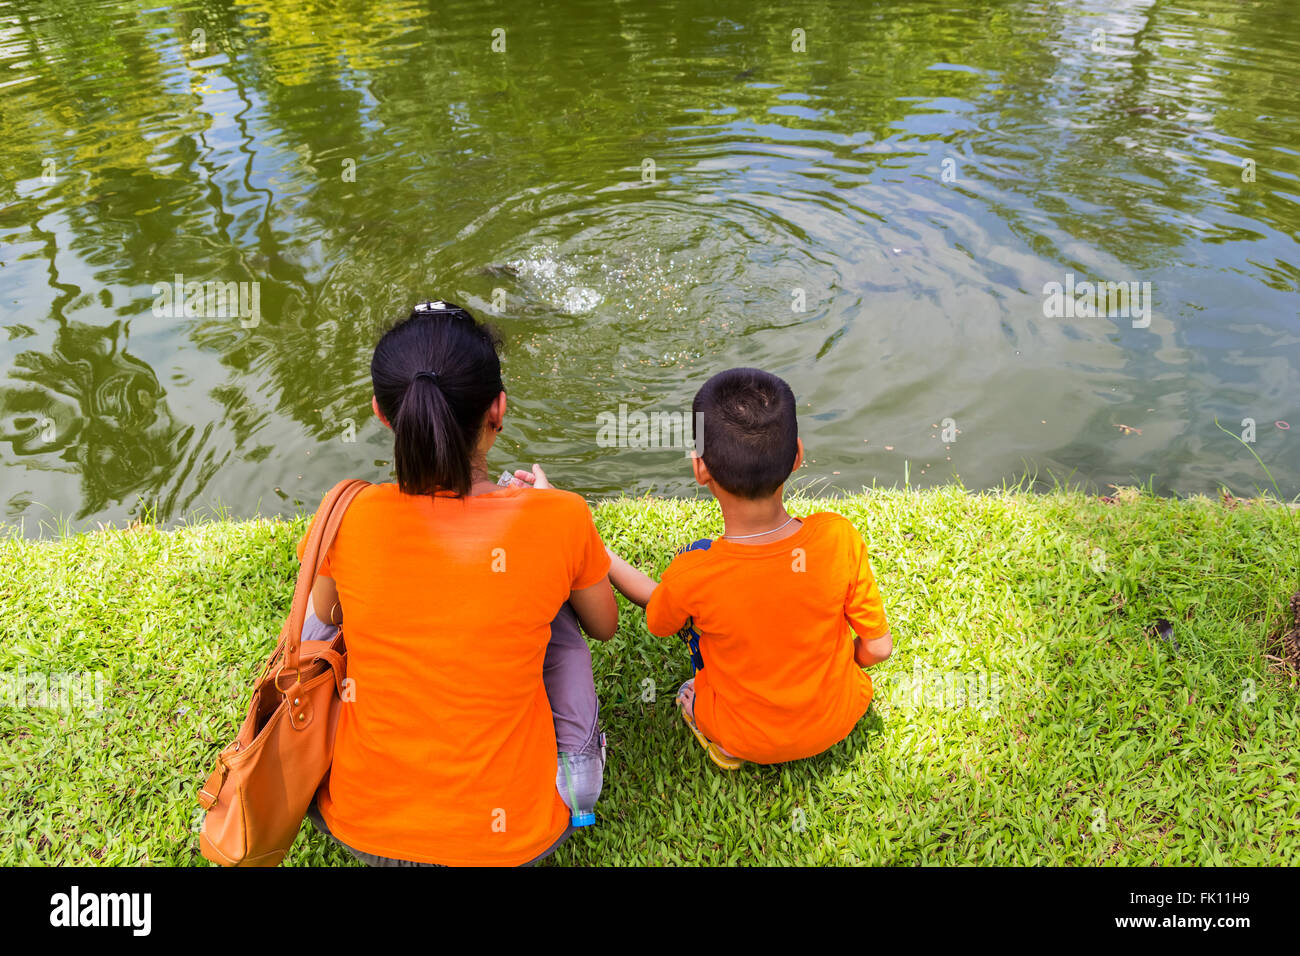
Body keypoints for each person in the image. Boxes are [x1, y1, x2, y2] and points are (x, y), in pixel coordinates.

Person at [298, 300, 618, 866]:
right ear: (498, 410)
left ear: (381, 412)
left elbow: (325, 615)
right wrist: (547, 517)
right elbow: (605, 625)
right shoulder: (560, 515)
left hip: (362, 826)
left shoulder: (345, 511)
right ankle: (581, 768)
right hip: (515, 837)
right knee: (558, 602)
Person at [605, 367, 893, 769]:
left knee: (694, 593)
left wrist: (598, 551)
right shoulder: (837, 537)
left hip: (744, 737)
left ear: (699, 468)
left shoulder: (695, 571)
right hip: (840, 716)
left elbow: (659, 619)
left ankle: (718, 737)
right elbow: (879, 648)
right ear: (797, 455)